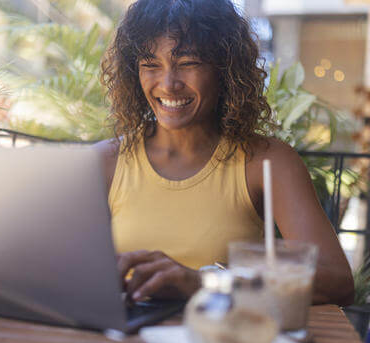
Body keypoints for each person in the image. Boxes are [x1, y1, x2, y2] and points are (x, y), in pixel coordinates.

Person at [95, 0, 354, 306]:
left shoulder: (266, 161)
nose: (168, 84)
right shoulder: (106, 161)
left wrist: (202, 282)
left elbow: (336, 280)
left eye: (188, 63)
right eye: (150, 65)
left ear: (225, 68)